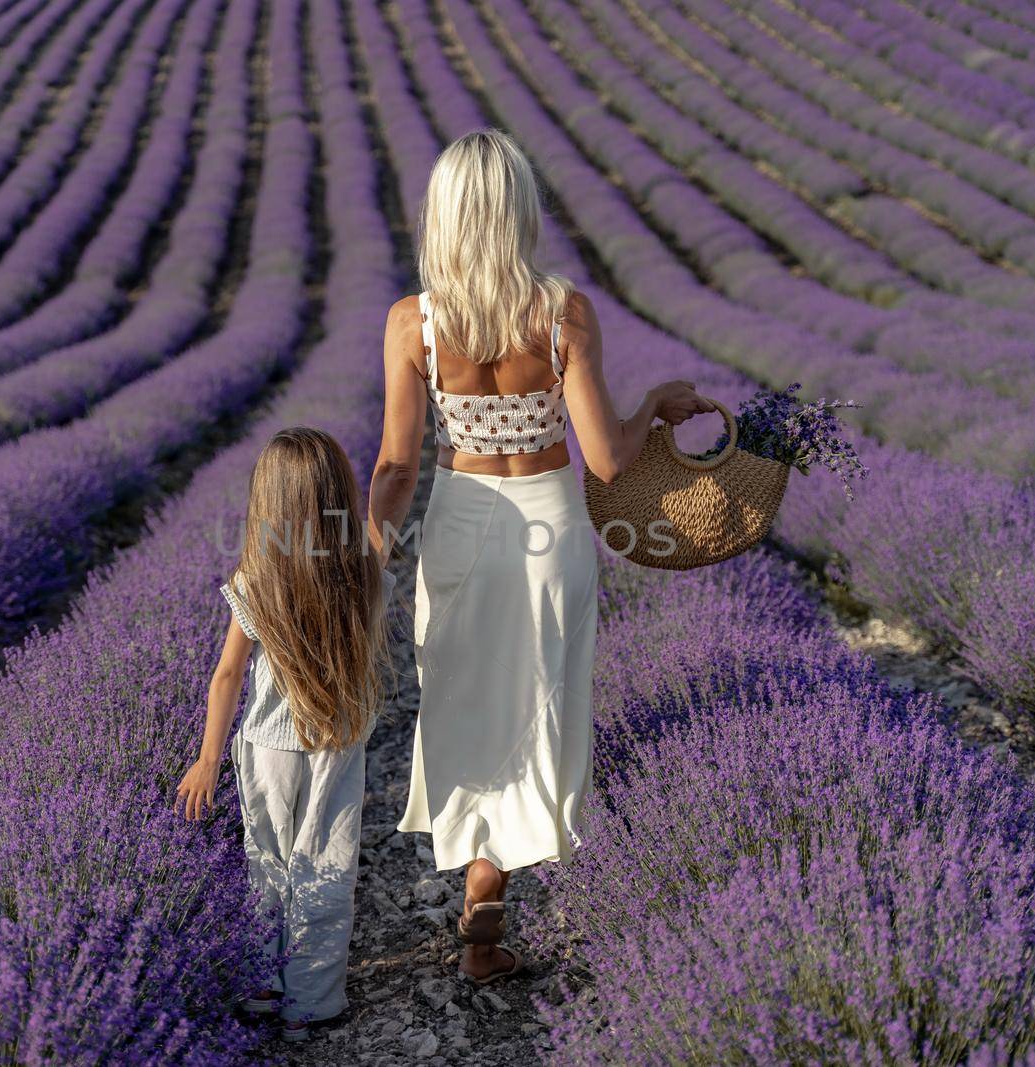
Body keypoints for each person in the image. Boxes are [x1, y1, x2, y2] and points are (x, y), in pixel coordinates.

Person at [365, 128, 711, 985]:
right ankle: (493, 892)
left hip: (460, 525)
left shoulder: (413, 322)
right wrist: (656, 406)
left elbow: (398, 465)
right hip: (550, 525)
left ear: (443, 215)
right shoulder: (563, 312)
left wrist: (369, 556)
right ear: (518, 210)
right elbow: (608, 459)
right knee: (541, 703)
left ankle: (477, 873)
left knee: (462, 699)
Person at [177, 426, 396, 1042]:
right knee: (326, 862)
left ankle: (262, 983)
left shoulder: (257, 579)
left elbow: (227, 676)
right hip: (338, 739)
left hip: (269, 743)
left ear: (267, 503)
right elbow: (386, 500)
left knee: (265, 862)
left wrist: (207, 760)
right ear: (337, 496)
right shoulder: (361, 568)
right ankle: (315, 1000)